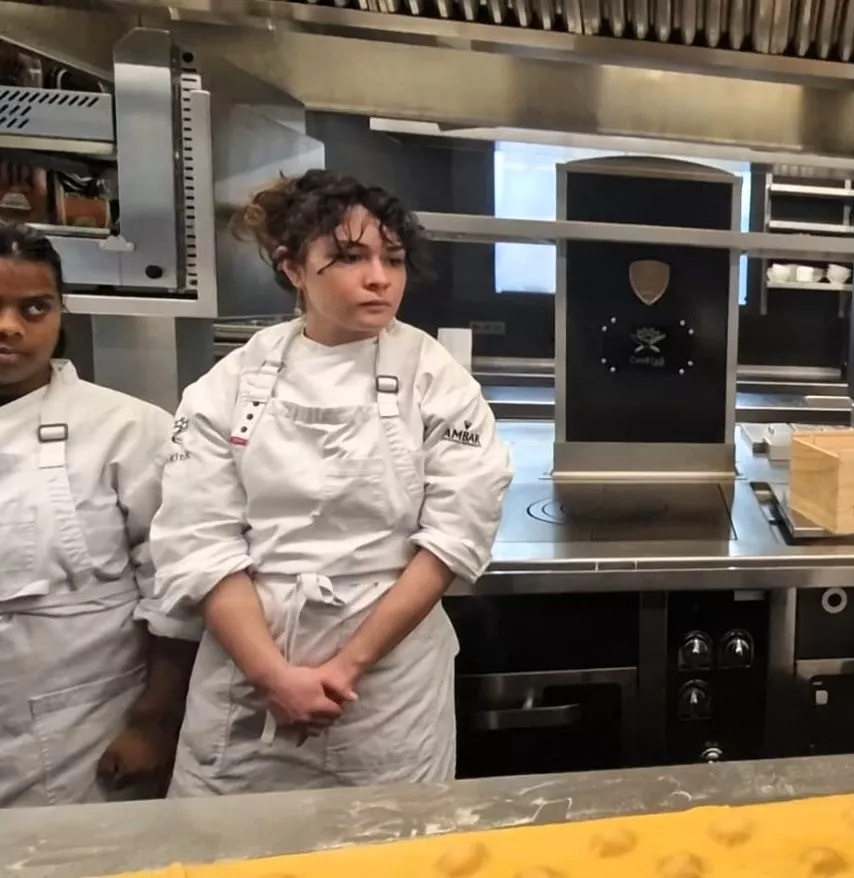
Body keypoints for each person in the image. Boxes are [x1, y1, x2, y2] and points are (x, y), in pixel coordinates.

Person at [148, 171, 514, 795]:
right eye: (349, 258)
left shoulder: (437, 379)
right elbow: (201, 543)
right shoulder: (228, 384)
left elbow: (454, 537)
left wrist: (348, 665)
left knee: (389, 840)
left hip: (386, 685)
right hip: (250, 674)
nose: (379, 278)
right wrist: (272, 676)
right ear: (293, 268)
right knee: (233, 844)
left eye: (392, 259)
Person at [0, 221, 197, 806]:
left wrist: (154, 724)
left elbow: (178, 593)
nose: (10, 326)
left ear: (61, 312)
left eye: (34, 308)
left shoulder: (128, 430)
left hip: (84, 730)